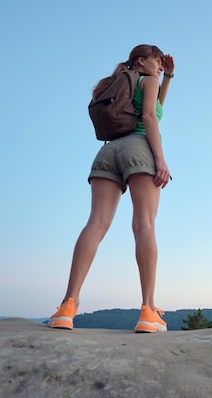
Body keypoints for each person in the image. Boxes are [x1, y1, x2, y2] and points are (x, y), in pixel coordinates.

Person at [49, 44, 175, 333]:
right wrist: (160, 159)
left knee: (96, 223)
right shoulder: (148, 80)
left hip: (108, 152)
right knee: (144, 225)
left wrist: (167, 77)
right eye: (157, 62)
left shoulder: (125, 84)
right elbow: (150, 117)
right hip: (139, 149)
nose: (159, 67)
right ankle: (148, 309)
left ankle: (67, 306)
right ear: (141, 61)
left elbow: (156, 107)